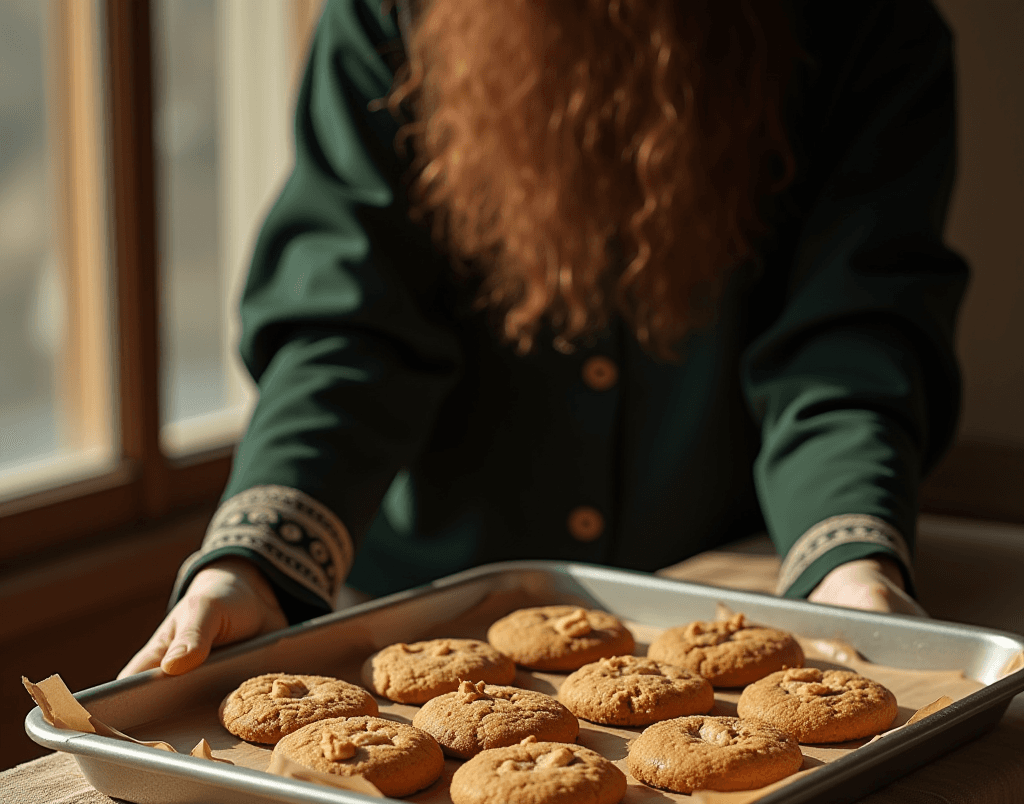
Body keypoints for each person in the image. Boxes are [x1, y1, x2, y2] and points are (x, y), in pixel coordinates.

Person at [122, 0, 966, 679]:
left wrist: (847, 567)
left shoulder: (873, 27)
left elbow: (853, 333)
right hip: (425, 606)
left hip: (726, 594)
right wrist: (257, 561)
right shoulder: (390, 15)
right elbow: (347, 322)